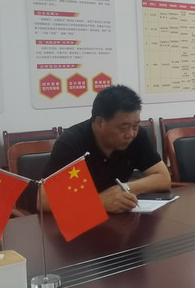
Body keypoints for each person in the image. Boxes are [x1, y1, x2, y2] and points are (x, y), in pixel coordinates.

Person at [44, 85, 170, 214]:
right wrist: (98, 202)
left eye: (135, 126)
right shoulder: (71, 142)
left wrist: (123, 188)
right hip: (82, 218)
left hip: (121, 218)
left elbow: (163, 178)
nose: (131, 134)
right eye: (124, 127)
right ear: (99, 123)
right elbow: (43, 199)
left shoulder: (137, 137)